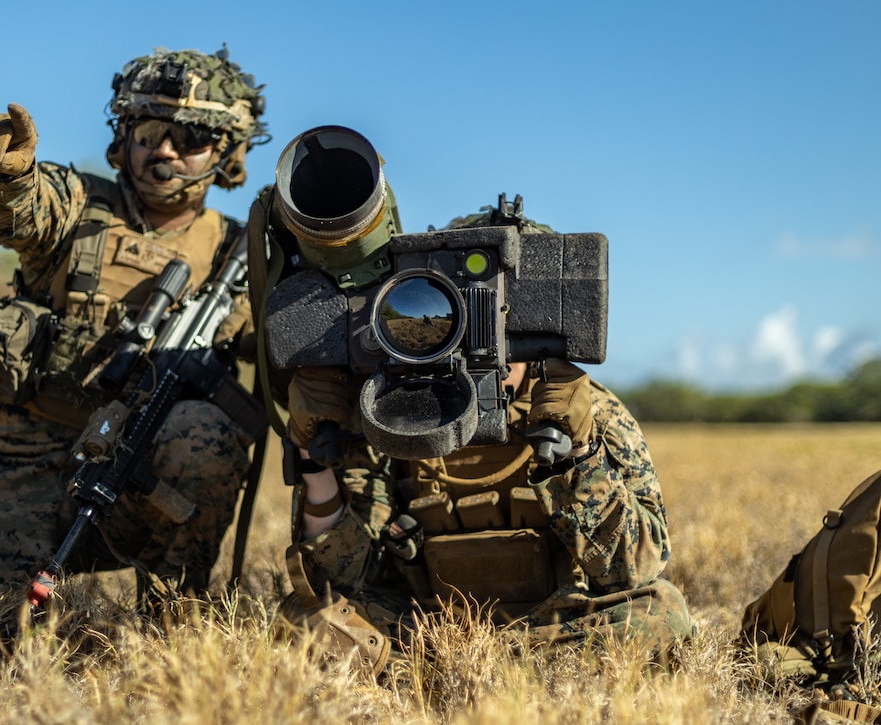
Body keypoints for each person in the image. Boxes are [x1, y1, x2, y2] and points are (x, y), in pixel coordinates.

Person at [0, 46, 269, 636]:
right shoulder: (77, 203)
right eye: (149, 131)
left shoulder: (240, 259)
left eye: (190, 136)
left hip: (143, 486)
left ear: (227, 153)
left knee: (209, 434)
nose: (164, 149)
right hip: (29, 463)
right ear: (123, 136)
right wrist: (3, 175)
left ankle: (173, 616)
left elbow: (292, 362)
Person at [257, 177, 693, 674]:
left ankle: (440, 673)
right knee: (303, 619)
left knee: (663, 613)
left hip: (554, 623)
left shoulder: (592, 410)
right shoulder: (390, 405)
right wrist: (315, 457)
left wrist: (578, 451)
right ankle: (478, 669)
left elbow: (632, 570)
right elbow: (345, 576)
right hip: (427, 626)